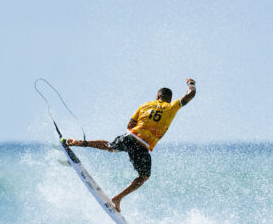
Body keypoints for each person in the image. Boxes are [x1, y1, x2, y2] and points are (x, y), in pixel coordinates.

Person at [67, 78, 197, 211]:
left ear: (158, 96)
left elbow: (129, 125)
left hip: (131, 136)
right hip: (143, 146)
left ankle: (77, 142)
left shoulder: (145, 105)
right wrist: (191, 83)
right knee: (144, 176)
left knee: (110, 146)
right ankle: (118, 198)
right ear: (169, 99)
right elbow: (190, 94)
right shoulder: (171, 107)